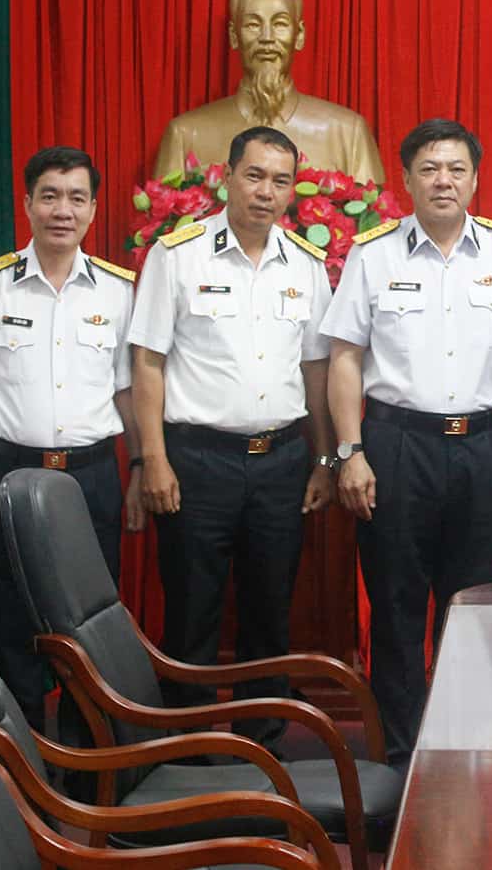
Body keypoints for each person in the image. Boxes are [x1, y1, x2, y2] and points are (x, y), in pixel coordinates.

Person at [322, 118, 492, 770]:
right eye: (429, 168)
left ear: (476, 178)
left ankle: (460, 748)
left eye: (456, 169)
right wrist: (349, 451)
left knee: (472, 606)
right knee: (394, 603)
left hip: (480, 444)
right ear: (407, 178)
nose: (443, 180)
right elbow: (342, 358)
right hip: (394, 443)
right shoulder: (374, 255)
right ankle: (397, 755)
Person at [129, 126, 336, 744]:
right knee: (192, 612)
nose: (266, 192)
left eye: (280, 181)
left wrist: (325, 459)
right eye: (254, 176)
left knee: (270, 611)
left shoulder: (305, 264)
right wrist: (153, 460)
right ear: (227, 176)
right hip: (196, 461)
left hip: (281, 461)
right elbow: (147, 363)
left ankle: (263, 744)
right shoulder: (178, 254)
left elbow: (317, 369)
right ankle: (184, 754)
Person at [0, 146, 142, 731]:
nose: (62, 210)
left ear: (94, 210)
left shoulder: (117, 291)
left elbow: (128, 393)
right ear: (27, 204)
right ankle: (27, 757)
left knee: (90, 618)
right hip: (11, 474)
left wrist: (139, 473)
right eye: (49, 195)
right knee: (14, 621)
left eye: (77, 198)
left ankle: (88, 758)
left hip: (93, 476)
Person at [153, 0, 383, 182]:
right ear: (234, 36)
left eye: (280, 24)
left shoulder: (348, 132)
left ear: (299, 35)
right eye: (253, 25)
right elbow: (164, 225)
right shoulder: (185, 135)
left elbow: (375, 225)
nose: (266, 37)